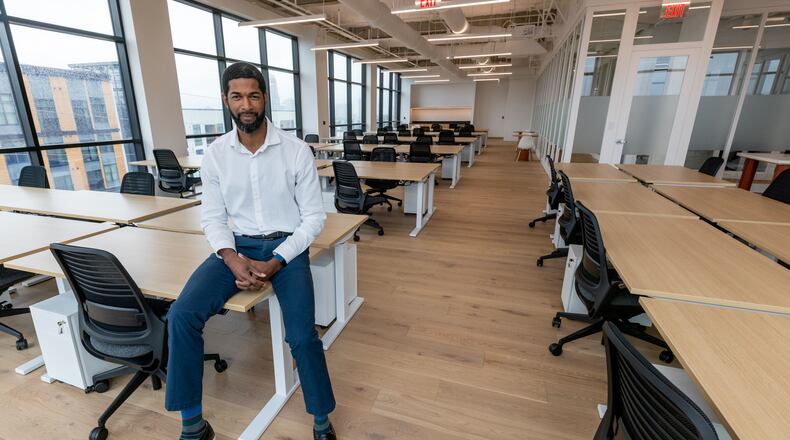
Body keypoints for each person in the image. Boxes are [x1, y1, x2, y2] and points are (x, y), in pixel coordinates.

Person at [164, 62, 336, 440]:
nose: (246, 104)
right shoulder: (215, 154)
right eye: (237, 96)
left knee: (303, 336)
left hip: (285, 249)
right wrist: (230, 257)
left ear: (264, 99)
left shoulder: (295, 151)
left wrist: (276, 260)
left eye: (253, 95)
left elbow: (312, 219)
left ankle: (321, 420)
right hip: (234, 247)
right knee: (181, 315)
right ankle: (192, 425)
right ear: (226, 100)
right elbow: (212, 218)